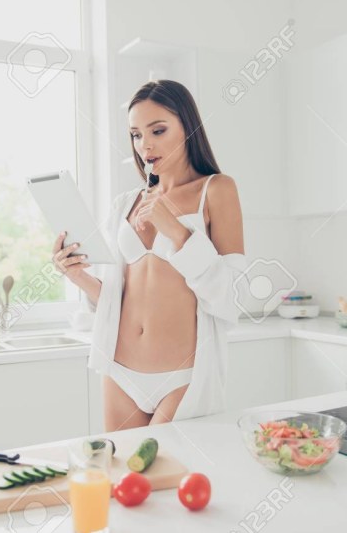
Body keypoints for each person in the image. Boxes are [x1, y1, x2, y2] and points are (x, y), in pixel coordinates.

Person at [52, 79, 248, 431]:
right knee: (121, 481)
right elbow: (118, 299)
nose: (146, 145)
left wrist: (175, 229)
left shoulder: (216, 190)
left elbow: (234, 296)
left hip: (183, 376)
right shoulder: (125, 203)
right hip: (120, 371)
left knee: (169, 482)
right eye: (136, 135)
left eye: (158, 130)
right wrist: (78, 277)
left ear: (188, 127)